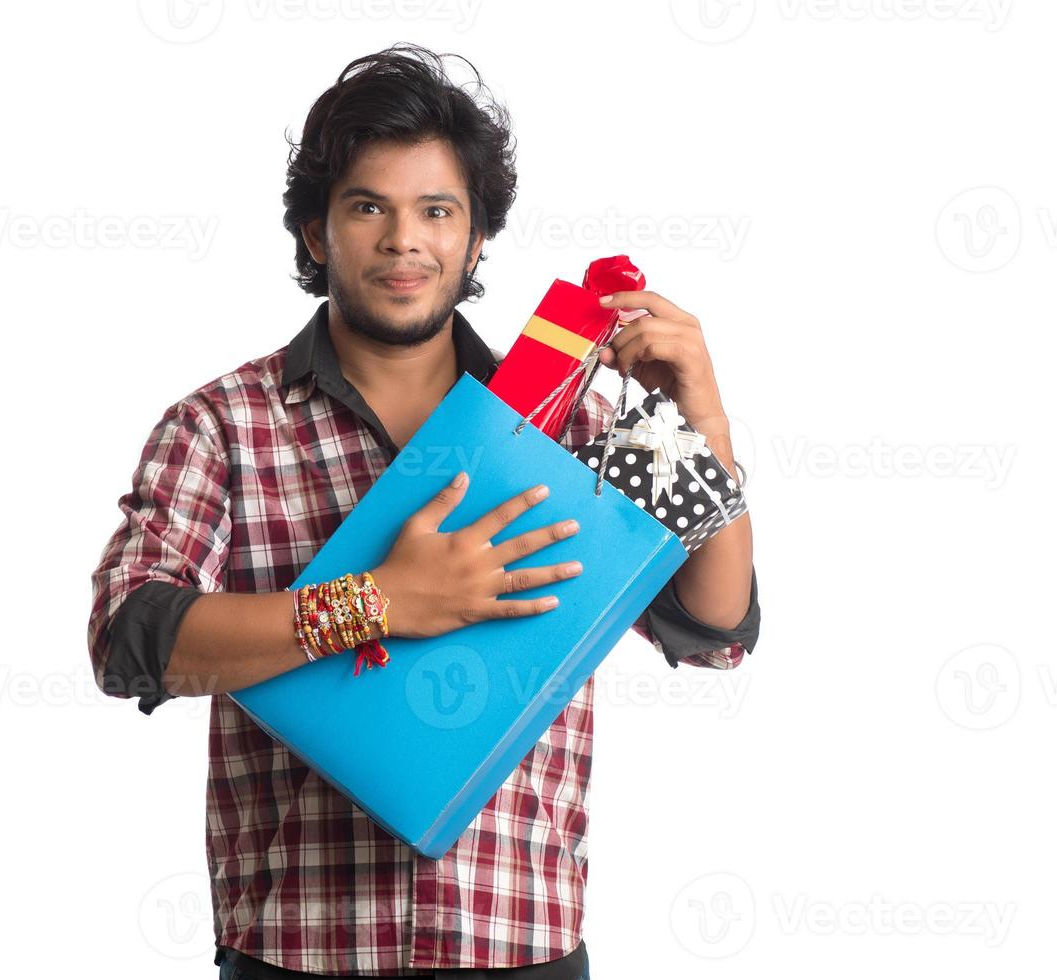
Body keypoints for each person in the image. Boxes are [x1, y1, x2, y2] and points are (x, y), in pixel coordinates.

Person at [87, 43, 760, 979]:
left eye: (438, 210)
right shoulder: (223, 425)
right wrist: (376, 602)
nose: (405, 239)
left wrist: (704, 420)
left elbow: (714, 629)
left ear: (478, 238)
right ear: (317, 234)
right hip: (298, 951)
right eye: (369, 206)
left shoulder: (568, 421)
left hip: (521, 947)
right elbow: (131, 641)